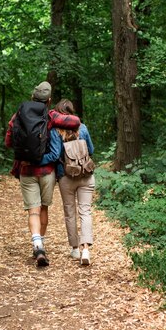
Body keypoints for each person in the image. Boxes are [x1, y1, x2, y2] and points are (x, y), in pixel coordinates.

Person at [5, 82, 80, 267]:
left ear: (32, 97)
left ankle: (37, 244)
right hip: (47, 171)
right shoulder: (50, 115)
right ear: (49, 100)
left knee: (33, 210)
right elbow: (75, 122)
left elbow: (8, 141)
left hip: (26, 170)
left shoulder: (18, 115)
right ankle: (40, 244)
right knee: (44, 208)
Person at [40, 98, 95, 265]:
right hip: (86, 174)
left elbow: (55, 154)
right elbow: (91, 150)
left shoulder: (56, 131)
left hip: (66, 177)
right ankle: (86, 248)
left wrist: (38, 160)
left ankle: (75, 250)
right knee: (85, 212)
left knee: (70, 213)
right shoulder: (83, 128)